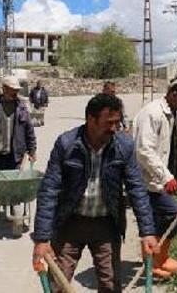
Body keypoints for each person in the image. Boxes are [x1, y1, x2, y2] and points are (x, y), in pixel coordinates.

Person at [31, 94, 159, 293]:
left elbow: (137, 189)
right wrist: (41, 239)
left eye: (117, 122)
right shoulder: (66, 144)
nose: (114, 128)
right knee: (58, 285)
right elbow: (49, 190)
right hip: (70, 225)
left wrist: (148, 232)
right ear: (91, 119)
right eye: (109, 122)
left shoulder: (123, 146)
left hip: (106, 226)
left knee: (110, 285)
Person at [132, 77, 177, 278]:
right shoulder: (152, 113)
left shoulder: (173, 113)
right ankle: (155, 262)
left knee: (160, 219)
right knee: (172, 214)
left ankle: (158, 260)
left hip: (158, 179)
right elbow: (144, 150)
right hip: (147, 180)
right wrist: (166, 177)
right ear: (174, 94)